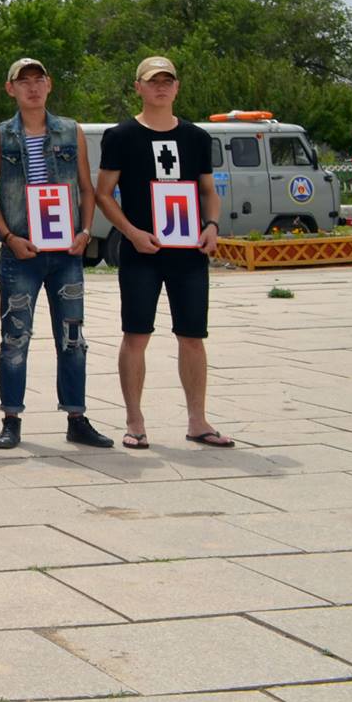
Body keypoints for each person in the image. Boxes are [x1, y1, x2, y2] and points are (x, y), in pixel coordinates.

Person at [94, 56, 230, 449]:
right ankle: (135, 421)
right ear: (138, 86)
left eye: (167, 81)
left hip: (187, 252)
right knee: (136, 334)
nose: (161, 87)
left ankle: (198, 420)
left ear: (177, 87)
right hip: (142, 250)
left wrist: (211, 226)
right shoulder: (120, 136)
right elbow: (104, 194)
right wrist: (132, 233)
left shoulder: (196, 137)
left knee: (192, 335)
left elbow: (208, 191)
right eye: (153, 81)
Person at [0, 58, 113, 449]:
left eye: (39, 81)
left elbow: (86, 187)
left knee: (73, 337)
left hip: (66, 250)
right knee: (15, 336)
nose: (32, 88)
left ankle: (76, 416)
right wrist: (7, 236)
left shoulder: (71, 130)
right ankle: (11, 418)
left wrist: (85, 231)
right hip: (22, 249)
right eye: (24, 82)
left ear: (50, 85)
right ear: (11, 89)